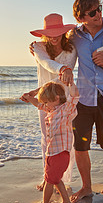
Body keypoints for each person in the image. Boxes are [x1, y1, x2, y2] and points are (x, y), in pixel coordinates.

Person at [30, 0, 103, 203]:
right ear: (81, 18)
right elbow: (58, 44)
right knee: (80, 146)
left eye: (98, 9)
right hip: (83, 97)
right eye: (92, 13)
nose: (98, 14)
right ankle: (87, 187)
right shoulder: (75, 36)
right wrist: (38, 47)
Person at [27, 13, 77, 191]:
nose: (54, 38)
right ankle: (48, 177)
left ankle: (62, 178)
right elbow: (46, 63)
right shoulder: (38, 47)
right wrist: (63, 69)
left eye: (58, 33)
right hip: (45, 97)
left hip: (64, 99)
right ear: (44, 34)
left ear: (64, 32)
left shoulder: (71, 49)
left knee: (65, 141)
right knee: (46, 138)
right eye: (51, 34)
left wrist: (65, 70)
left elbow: (62, 77)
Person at [21, 81, 79, 203]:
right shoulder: (51, 109)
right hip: (51, 152)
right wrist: (29, 97)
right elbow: (38, 104)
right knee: (55, 179)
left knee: (49, 181)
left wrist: (70, 83)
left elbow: (75, 96)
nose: (45, 105)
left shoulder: (66, 109)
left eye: (47, 102)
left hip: (60, 153)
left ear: (57, 98)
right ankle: (66, 202)